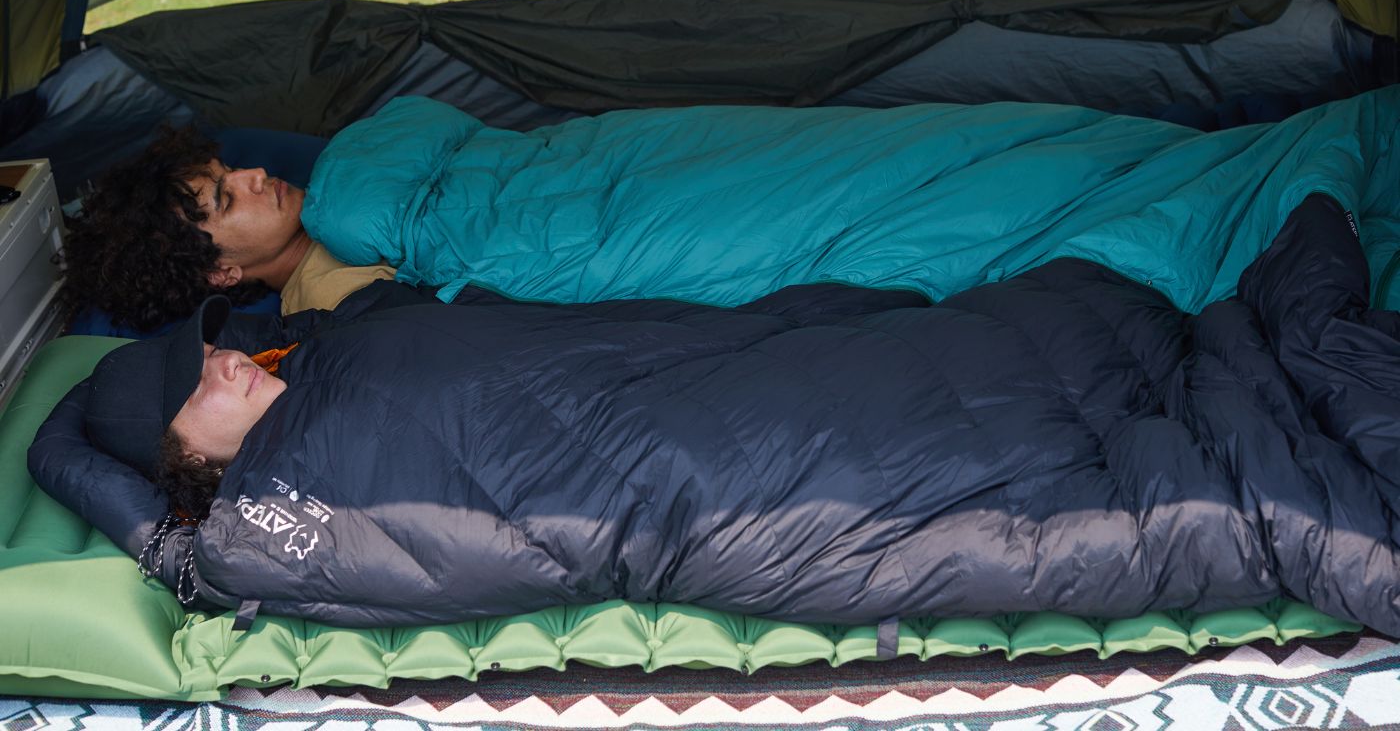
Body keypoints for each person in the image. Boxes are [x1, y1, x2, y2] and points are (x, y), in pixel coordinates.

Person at [50, 192, 1400, 632]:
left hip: (761, 381)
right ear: (189, 472)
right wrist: (94, 454)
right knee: (1169, 480)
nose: (228, 369)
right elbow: (102, 483)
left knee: (1073, 349)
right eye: (199, 396)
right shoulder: (267, 528)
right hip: (739, 481)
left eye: (215, 355)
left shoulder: (347, 351)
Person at [60, 125, 395, 330]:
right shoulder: (336, 300)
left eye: (231, 169)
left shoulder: (333, 190)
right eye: (227, 199)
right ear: (220, 273)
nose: (257, 173)